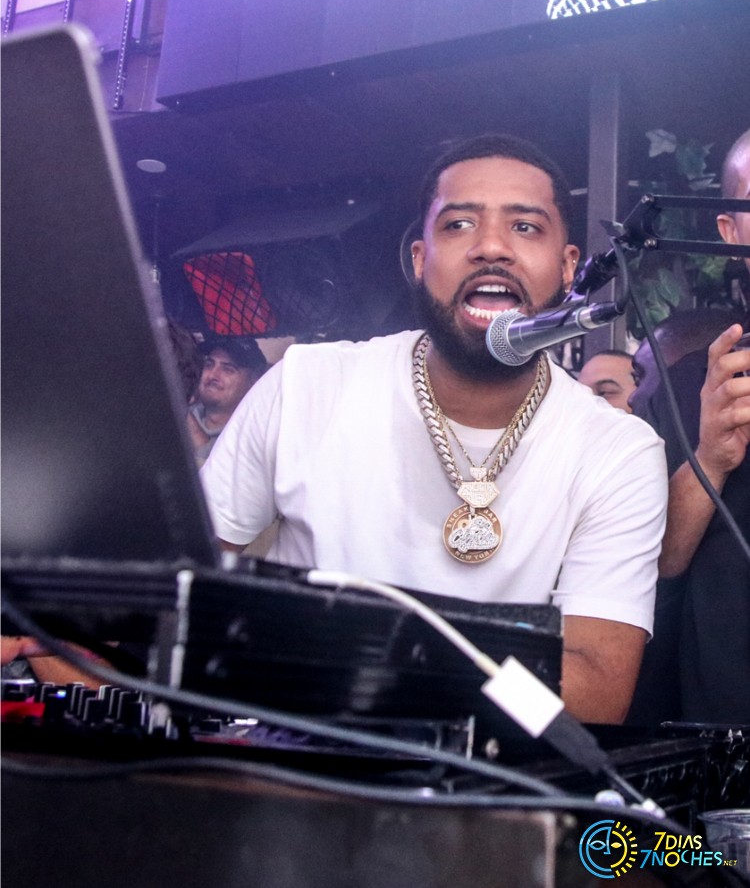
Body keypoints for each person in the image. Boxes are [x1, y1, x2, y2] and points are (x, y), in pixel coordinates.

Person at [201, 134, 667, 724]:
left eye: (525, 227)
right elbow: (177, 590)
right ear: (421, 261)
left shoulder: (617, 452)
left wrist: (379, 658)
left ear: (569, 266)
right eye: (459, 225)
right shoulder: (306, 386)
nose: (491, 247)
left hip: (487, 776)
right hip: (287, 760)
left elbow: (596, 696)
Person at [648, 130, 750, 723]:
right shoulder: (689, 384)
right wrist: (710, 457)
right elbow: (652, 570)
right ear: (730, 233)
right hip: (724, 732)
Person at [187, 335, 269, 465]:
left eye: (228, 369)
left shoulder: (256, 437)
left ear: (254, 382)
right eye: (209, 365)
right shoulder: (173, 415)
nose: (212, 375)